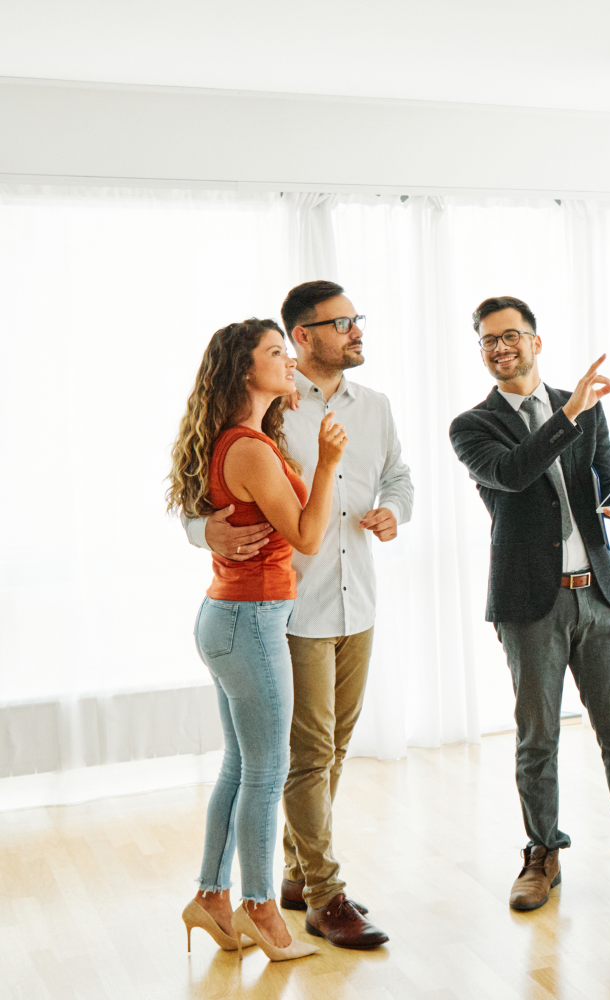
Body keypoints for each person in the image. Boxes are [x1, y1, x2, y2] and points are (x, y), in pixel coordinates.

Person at [184, 281, 413, 950]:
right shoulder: (276, 411)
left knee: (331, 748)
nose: (356, 331)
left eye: (356, 320)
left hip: (357, 600)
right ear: (304, 335)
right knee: (299, 759)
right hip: (288, 611)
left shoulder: (375, 407)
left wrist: (393, 511)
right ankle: (322, 892)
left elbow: (400, 475)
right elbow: (204, 493)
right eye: (342, 323)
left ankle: (290, 875)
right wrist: (206, 533)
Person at [449, 296, 610, 912]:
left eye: (512, 335)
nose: (501, 347)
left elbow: (602, 478)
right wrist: (571, 410)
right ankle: (541, 853)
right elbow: (516, 473)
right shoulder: (472, 426)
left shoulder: (586, 412)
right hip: (529, 604)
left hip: (597, 594)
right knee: (537, 738)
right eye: (489, 339)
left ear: (535, 341)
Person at [168, 317, 346, 962]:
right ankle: (261, 912)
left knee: (241, 767)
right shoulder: (248, 447)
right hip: (251, 620)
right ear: (246, 370)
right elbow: (306, 536)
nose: (291, 359)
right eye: (278, 352)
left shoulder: (245, 439)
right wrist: (328, 464)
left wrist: (296, 427)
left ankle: (212, 897)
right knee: (267, 772)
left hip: (231, 618)